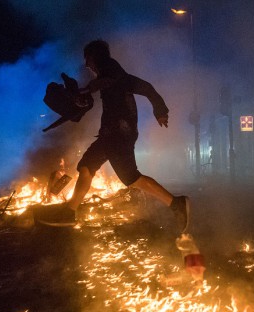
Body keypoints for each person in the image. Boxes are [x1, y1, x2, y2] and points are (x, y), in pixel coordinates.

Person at [47, 40, 190, 231]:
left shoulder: (112, 70)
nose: (87, 65)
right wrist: (80, 97)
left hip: (120, 134)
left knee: (131, 177)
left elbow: (141, 86)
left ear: (95, 57)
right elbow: (100, 89)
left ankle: (177, 204)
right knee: (86, 167)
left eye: (88, 59)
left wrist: (160, 109)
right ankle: (69, 212)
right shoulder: (110, 75)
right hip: (109, 134)